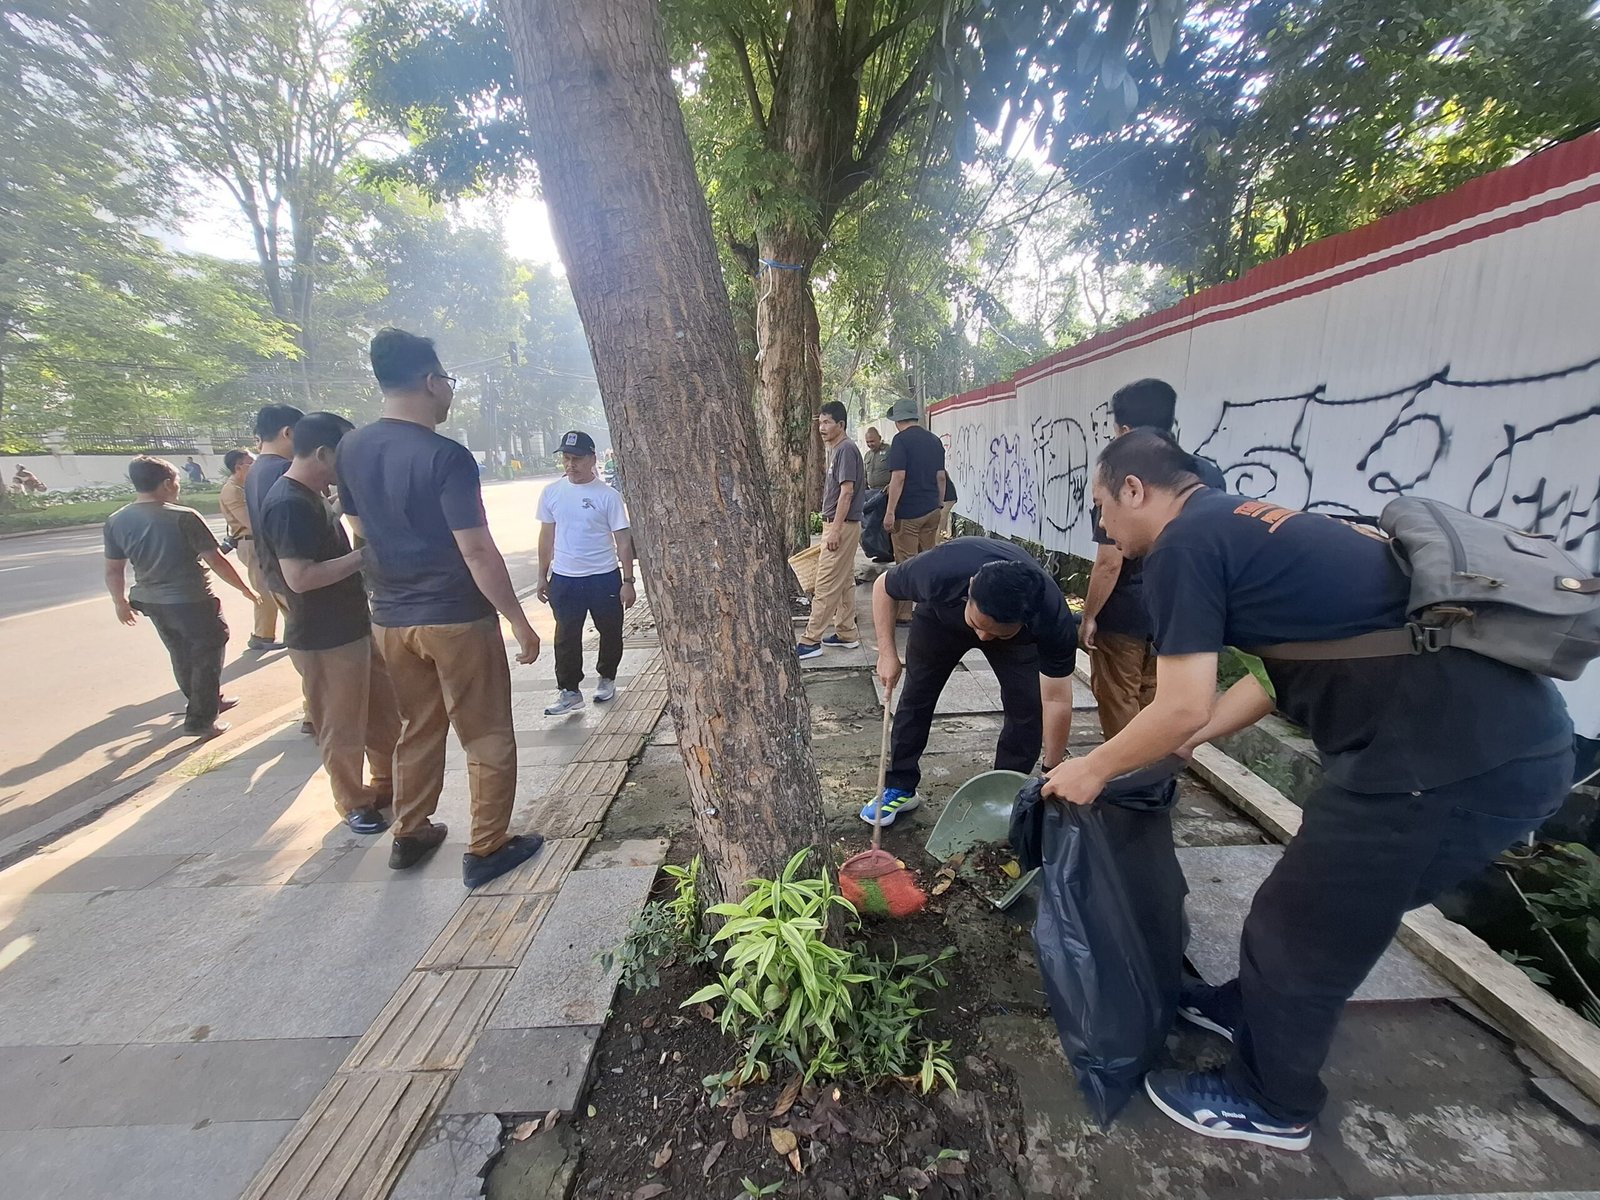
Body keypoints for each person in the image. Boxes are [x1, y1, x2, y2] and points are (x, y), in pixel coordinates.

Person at [1045, 429, 1573, 1152]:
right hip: (1492, 742)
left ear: (1135, 489)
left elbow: (1180, 703)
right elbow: (1276, 671)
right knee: (1316, 909)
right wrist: (1190, 741)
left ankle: (1273, 1102)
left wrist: (1094, 766)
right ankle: (1248, 1009)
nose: (1104, 527)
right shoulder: (1247, 520)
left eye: (1103, 506)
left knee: (1302, 929)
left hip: (1441, 763)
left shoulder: (1180, 548)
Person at [337, 327, 546, 889]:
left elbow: (360, 532)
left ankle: (409, 831)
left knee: (418, 726)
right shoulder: (446, 456)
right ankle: (487, 847)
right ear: (431, 382)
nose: (449, 392)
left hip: (391, 620)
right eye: (447, 381)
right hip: (455, 615)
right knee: (486, 732)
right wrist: (518, 620)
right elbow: (475, 549)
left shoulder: (350, 448)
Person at [864, 537, 1079, 825]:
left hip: (1016, 644)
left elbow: (1056, 699)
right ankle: (900, 786)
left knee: (1027, 707)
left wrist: (1052, 768)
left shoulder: (1052, 616)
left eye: (995, 633)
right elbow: (883, 587)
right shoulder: (940, 570)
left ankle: (1004, 791)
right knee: (917, 695)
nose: (983, 638)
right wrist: (887, 654)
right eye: (978, 626)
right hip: (940, 621)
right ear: (969, 590)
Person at [259, 413, 399, 836]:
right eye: (346, 455)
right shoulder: (288, 504)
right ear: (323, 453)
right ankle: (354, 801)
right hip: (322, 637)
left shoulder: (312, 495)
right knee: (341, 725)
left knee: (382, 714)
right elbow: (299, 577)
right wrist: (367, 555)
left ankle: (386, 784)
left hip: (353, 625)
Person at [1080, 379, 1226, 738]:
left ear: (1126, 430)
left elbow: (1110, 562)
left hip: (1127, 611)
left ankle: (1127, 782)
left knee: (1117, 696)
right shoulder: (1207, 473)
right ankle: (1156, 777)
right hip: (1181, 609)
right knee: (1160, 698)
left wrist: (1089, 615)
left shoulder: (1120, 479)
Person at [103, 456, 258, 738]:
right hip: (190, 599)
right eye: (175, 481)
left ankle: (207, 700)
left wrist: (119, 601)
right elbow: (216, 561)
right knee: (208, 651)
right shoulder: (183, 516)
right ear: (166, 483)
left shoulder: (116, 520)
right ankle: (201, 720)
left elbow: (114, 569)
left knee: (180, 652)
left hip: (150, 600)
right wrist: (246, 590)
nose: (177, 487)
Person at [535, 429, 636, 714]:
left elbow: (623, 541)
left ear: (592, 459)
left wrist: (627, 580)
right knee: (565, 635)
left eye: (577, 458)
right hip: (565, 578)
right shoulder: (552, 493)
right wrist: (543, 575)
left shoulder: (608, 496)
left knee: (610, 631)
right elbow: (546, 537)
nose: (571, 464)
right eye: (566, 458)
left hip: (603, 576)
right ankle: (569, 691)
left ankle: (607, 676)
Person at [796, 401, 865, 660]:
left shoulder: (846, 449)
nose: (822, 428)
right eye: (820, 423)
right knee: (845, 581)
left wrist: (834, 531)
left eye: (827, 423)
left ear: (841, 425)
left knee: (824, 583)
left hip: (842, 525)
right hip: (840, 524)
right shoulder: (838, 449)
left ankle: (810, 640)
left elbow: (846, 493)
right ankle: (847, 633)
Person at [881, 399, 947, 623]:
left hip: (908, 513)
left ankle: (905, 612)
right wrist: (938, 503)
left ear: (898, 420)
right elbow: (941, 476)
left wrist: (890, 512)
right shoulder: (934, 440)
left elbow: (898, 477)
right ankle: (930, 606)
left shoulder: (900, 441)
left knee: (906, 563)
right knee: (928, 559)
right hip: (931, 510)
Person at [219, 449, 286, 652]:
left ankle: (265, 634)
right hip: (251, 542)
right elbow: (250, 521)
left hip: (258, 542)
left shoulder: (245, 486)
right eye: (251, 462)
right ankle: (261, 636)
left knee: (272, 588)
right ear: (239, 467)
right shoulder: (233, 490)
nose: (256, 465)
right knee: (265, 590)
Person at [862, 426, 891, 490]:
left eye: (872, 441)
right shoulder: (867, 455)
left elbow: (897, 472)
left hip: (885, 491)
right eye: (867, 442)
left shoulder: (889, 451)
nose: (870, 444)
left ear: (879, 438)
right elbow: (864, 476)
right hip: (871, 491)